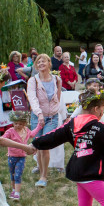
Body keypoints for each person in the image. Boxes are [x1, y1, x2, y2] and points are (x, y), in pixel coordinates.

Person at [26, 54, 62, 187]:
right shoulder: (33, 81)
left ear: (49, 63)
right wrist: (40, 114)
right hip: (37, 117)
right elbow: (32, 99)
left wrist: (54, 110)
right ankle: (41, 169)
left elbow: (58, 97)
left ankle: (43, 176)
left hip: (52, 117)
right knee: (39, 147)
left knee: (45, 146)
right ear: (36, 66)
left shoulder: (57, 79)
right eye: (38, 62)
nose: (41, 64)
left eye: (43, 61)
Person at [2, 111, 31, 200]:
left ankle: (17, 193)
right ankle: (13, 190)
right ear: (12, 122)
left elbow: (32, 134)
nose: (18, 125)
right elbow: (3, 139)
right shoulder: (10, 131)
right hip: (11, 157)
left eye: (20, 124)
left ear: (25, 124)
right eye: (16, 123)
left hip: (21, 157)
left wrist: (39, 126)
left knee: (18, 174)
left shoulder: (26, 130)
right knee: (12, 175)